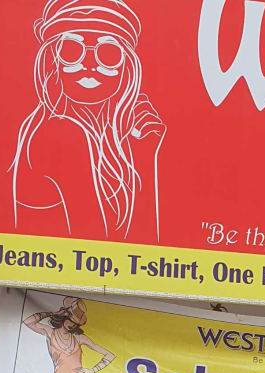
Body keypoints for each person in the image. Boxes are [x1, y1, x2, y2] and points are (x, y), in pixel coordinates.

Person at [11, 0, 165, 240]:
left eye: (108, 53)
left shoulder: (103, 139)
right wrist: (145, 163)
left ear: (126, 67)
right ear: (53, 59)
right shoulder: (61, 132)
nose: (90, 64)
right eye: (72, 50)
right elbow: (107, 251)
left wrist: (141, 154)